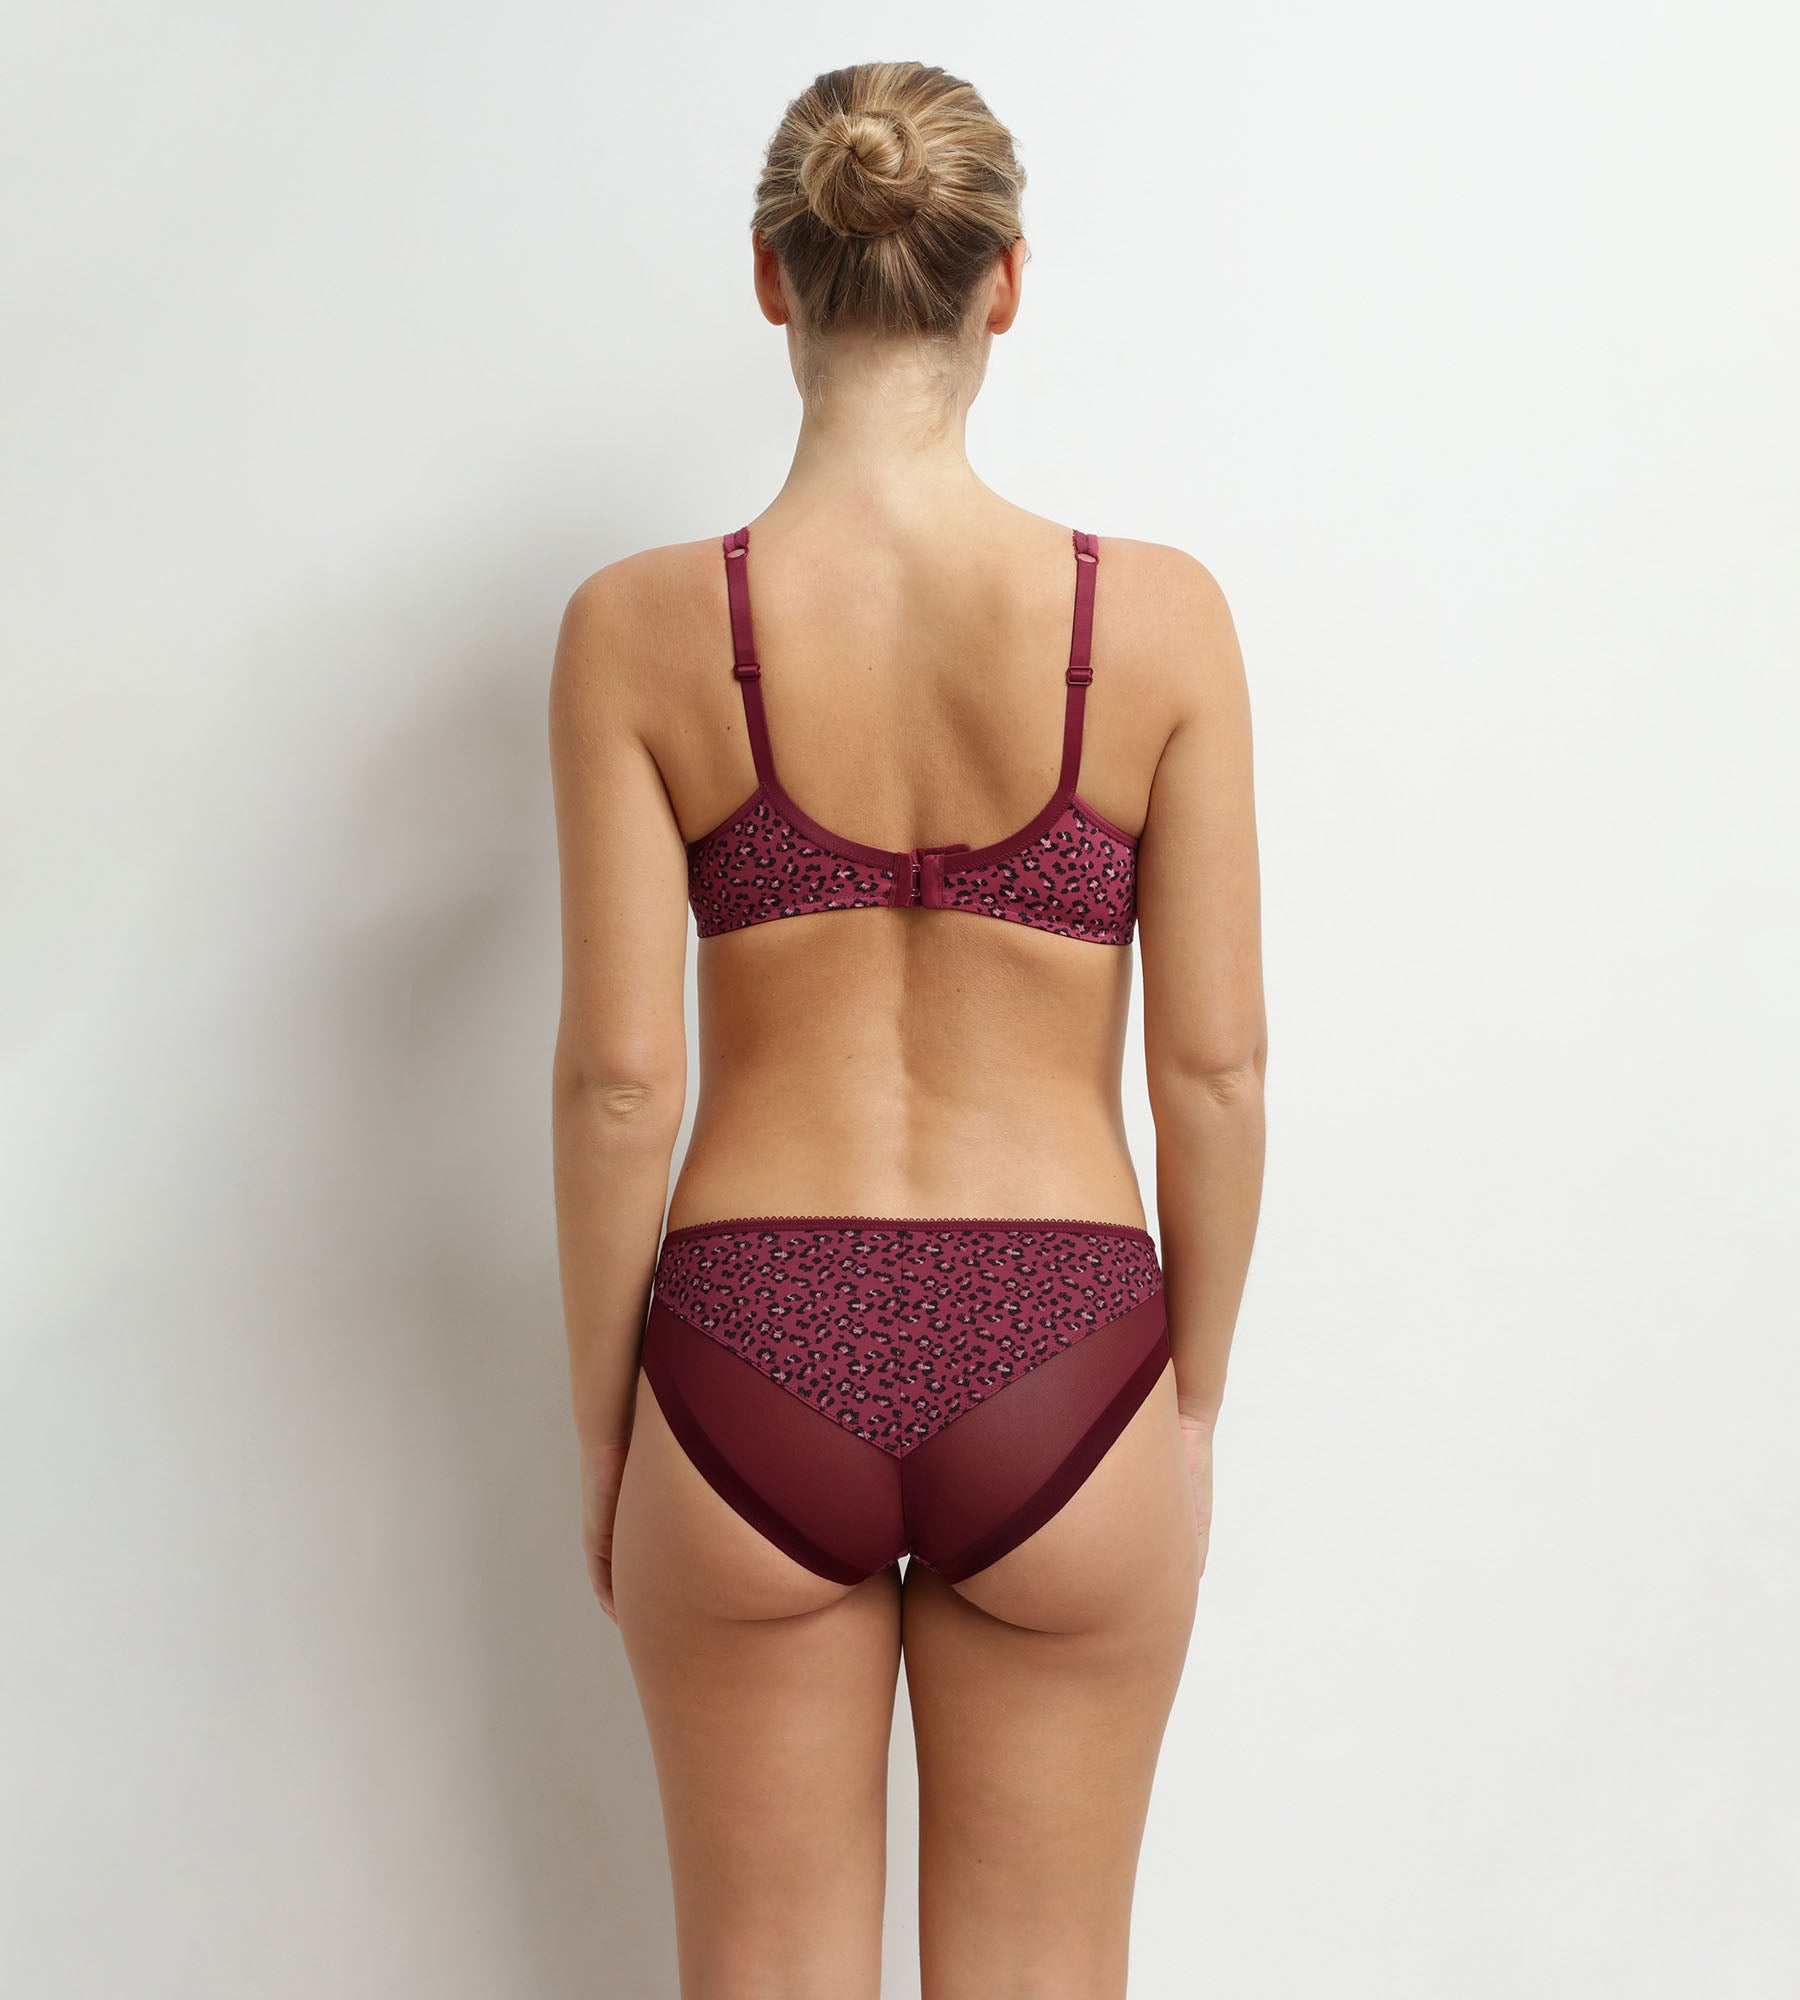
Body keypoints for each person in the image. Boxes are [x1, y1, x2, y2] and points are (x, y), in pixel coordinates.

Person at [549, 59, 1266, 2000]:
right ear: (1004, 283)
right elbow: (1214, 1072)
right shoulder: (1160, 625)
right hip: (1067, 1349)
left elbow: (620, 1084)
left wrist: (609, 1430)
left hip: (749, 1346)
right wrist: (1190, 1405)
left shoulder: (638, 631)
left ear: (771, 275)